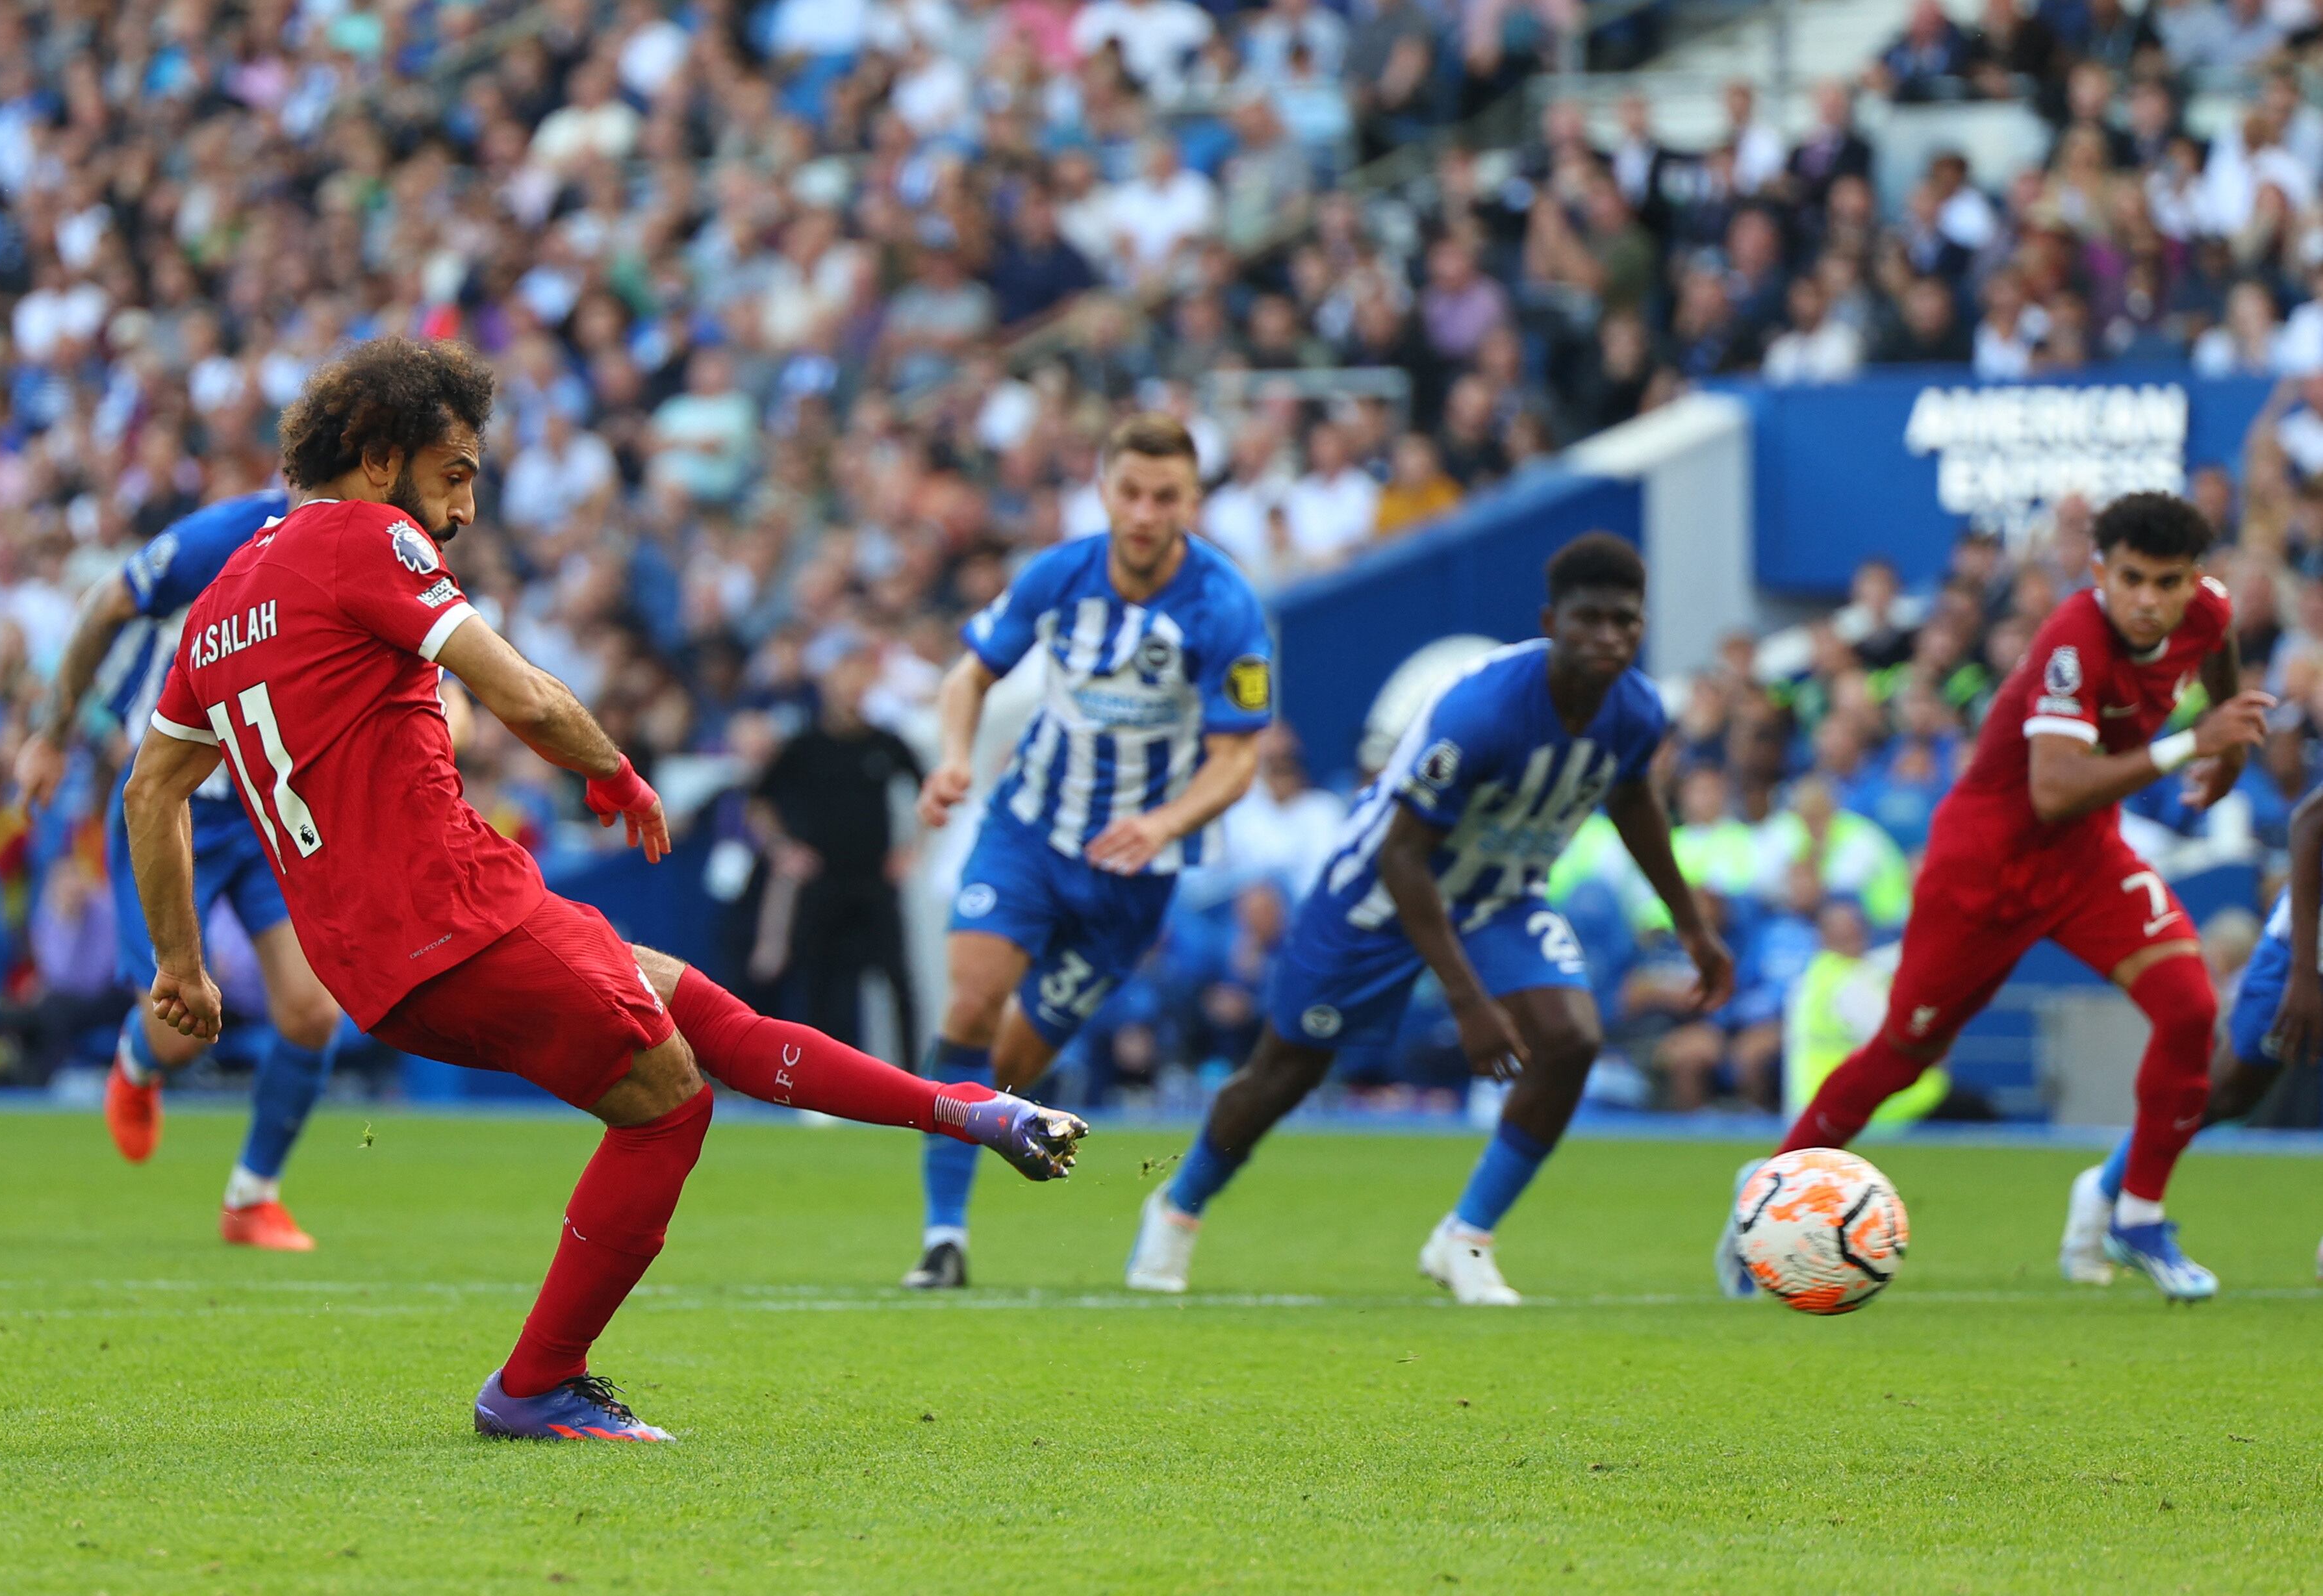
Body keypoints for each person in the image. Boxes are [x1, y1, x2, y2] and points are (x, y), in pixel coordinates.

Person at [124, 337, 1086, 1442]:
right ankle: (536, 1385)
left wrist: (181, 963)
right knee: (668, 1102)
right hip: (452, 913)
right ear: (382, 459)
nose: (469, 506)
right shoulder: (366, 535)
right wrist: (615, 774)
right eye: (456, 473)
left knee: (703, 1014)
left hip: (376, 945)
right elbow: (522, 694)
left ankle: (971, 1111)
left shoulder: (218, 608)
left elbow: (150, 794)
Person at [1126, 533, 1734, 1302]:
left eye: (1626, 621)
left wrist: (1689, 924)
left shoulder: (1637, 711)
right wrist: (1469, 1002)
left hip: (1499, 894)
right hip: (1377, 894)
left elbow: (1633, 800)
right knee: (1286, 1072)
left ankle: (1465, 1237)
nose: (1610, 637)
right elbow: (1402, 857)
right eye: (1591, 620)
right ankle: (1177, 1207)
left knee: (1572, 1038)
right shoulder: (1482, 710)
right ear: (1551, 621)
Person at [1722, 493, 2270, 1302]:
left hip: (2085, 860)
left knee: (2190, 1008)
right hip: (1984, 867)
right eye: (2131, 579)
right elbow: (2052, 789)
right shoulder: (2071, 640)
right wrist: (2196, 742)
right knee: (1900, 1059)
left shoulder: (2205, 610)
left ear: (2193, 581)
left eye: (2167, 581)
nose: (2149, 600)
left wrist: (2223, 747)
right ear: (2098, 573)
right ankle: (1766, 1198)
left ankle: (2136, 1215)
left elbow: (2216, 639)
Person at [909, 412, 1274, 1289]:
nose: (1146, 513)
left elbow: (1237, 757)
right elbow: (969, 673)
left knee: (1008, 1068)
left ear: (1191, 500)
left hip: (1132, 872)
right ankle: (942, 1237)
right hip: (1029, 831)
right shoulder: (1060, 574)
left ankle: (963, 1179)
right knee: (968, 1005)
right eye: (1132, 492)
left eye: (1166, 496)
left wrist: (1163, 822)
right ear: (1105, 490)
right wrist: (956, 756)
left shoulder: (1225, 605)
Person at [16, 488, 348, 1253]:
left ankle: (250, 1198)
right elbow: (106, 607)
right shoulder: (224, 536)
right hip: (171, 801)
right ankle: (137, 1062)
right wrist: (53, 734)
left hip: (265, 810)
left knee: (313, 1010)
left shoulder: (360, 555)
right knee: (183, 1028)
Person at [2061, 777, 2323, 1284]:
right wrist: (2303, 973)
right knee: (2227, 1093)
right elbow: (2309, 823)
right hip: (2304, 959)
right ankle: (2102, 1192)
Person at [747, 643, 924, 1059]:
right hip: (821, 881)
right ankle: (813, 1082)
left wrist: (914, 850)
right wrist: (784, 849)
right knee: (816, 982)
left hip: (874, 880)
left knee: (898, 980)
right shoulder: (803, 747)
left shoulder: (886, 744)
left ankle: (916, 1077)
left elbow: (929, 793)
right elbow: (759, 801)